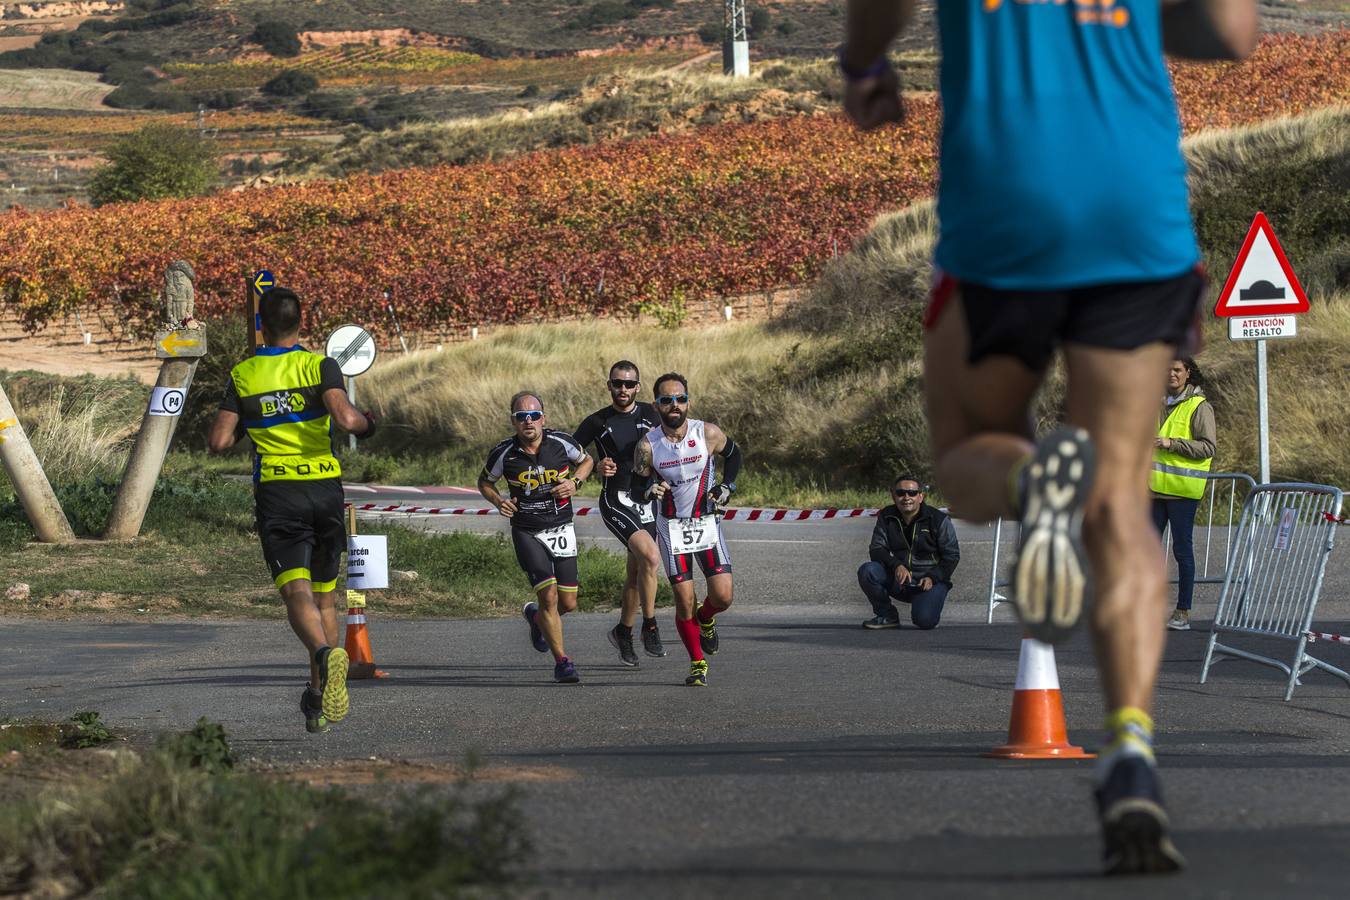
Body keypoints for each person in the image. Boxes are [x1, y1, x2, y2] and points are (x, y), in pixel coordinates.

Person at [841, 0, 1256, 876]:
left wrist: (865, 63)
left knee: (968, 449)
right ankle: (1132, 751)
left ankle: (1035, 484)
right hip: (1135, 214)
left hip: (1005, 212)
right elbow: (1228, 33)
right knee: (1123, 500)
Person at [207, 287, 376, 734]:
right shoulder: (321, 365)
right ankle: (318, 697)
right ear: (302, 323)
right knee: (325, 597)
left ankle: (323, 655)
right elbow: (346, 419)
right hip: (324, 487)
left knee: (294, 591)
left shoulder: (243, 374)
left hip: (278, 492)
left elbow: (219, 441)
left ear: (261, 325)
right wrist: (369, 423)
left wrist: (250, 416)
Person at [632, 373, 743, 687]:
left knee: (723, 597)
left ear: (687, 401)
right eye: (667, 400)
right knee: (683, 600)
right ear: (657, 406)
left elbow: (734, 455)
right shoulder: (648, 445)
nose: (674, 405)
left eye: (680, 398)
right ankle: (697, 663)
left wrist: (727, 485)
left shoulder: (706, 432)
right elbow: (637, 485)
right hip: (671, 529)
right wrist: (648, 490)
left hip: (706, 523)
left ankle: (706, 617)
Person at [478, 391, 594, 684]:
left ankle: (536, 619)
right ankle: (563, 662)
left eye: (534, 415)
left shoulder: (561, 442)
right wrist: (498, 501)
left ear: (544, 418)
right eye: (521, 417)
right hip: (527, 530)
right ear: (514, 422)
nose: (528, 422)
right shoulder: (504, 452)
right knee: (549, 595)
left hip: (561, 528)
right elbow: (484, 481)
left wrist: (575, 482)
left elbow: (588, 461)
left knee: (568, 603)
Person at [572, 360, 668, 666]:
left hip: (648, 499)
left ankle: (623, 632)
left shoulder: (652, 414)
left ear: (638, 387)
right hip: (616, 499)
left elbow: (673, 446)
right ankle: (649, 626)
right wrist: (595, 467)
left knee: (637, 571)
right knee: (651, 557)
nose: (623, 389)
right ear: (609, 385)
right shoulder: (596, 421)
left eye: (629, 384)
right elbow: (571, 454)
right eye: (617, 383)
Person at [1151, 357, 1216, 632]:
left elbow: (1208, 447)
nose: (1171, 374)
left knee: (1182, 550)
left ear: (1188, 373)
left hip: (1182, 492)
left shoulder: (1199, 407)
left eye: (1177, 369)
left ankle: (1183, 611)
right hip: (1153, 489)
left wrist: (1171, 443)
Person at [859, 475, 960, 630]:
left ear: (920, 496)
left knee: (925, 621)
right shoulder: (886, 516)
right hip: (900, 580)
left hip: (928, 582)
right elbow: (877, 549)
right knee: (868, 571)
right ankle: (887, 615)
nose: (906, 497)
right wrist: (896, 565)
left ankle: (927, 605)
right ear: (893, 495)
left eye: (912, 493)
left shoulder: (939, 520)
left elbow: (952, 556)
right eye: (900, 493)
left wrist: (933, 577)